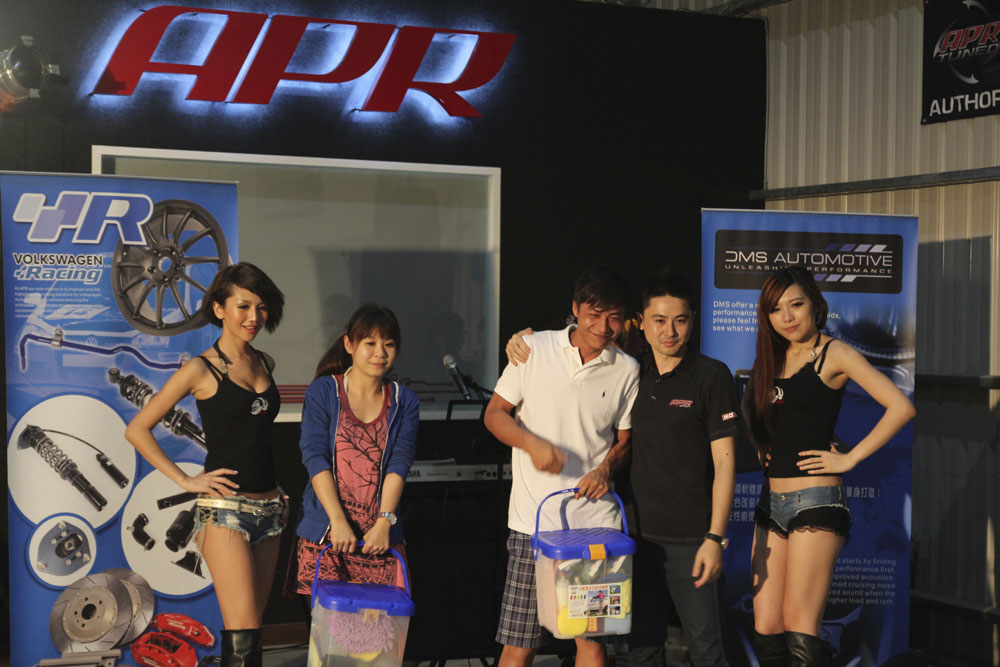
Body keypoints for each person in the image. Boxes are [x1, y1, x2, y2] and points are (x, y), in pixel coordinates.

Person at [506, 270, 739, 667]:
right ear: (642, 322)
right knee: (639, 651)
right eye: (659, 320)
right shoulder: (629, 369)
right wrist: (520, 340)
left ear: (692, 321)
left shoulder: (706, 376)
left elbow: (725, 462)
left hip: (686, 540)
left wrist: (715, 537)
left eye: (680, 320)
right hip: (629, 537)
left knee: (705, 650)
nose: (669, 331)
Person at [744, 266, 915, 666]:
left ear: (815, 306)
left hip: (816, 501)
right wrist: (761, 446)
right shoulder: (771, 357)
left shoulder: (834, 353)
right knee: (766, 624)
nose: (787, 317)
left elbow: (901, 407)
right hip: (771, 503)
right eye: (776, 309)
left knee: (799, 624)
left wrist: (850, 457)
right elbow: (764, 419)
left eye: (796, 305)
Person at [125, 262, 286, 667]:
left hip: (271, 512)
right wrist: (185, 480)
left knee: (253, 630)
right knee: (244, 633)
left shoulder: (264, 361)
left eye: (261, 308)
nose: (254, 317)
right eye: (243, 306)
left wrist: (279, 493)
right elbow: (138, 429)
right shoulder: (200, 368)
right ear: (219, 309)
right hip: (225, 511)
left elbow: (256, 438)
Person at [485, 266, 640, 667]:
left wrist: (605, 470)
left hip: (596, 526)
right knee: (519, 645)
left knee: (592, 643)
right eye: (594, 314)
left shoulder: (627, 369)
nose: (603, 327)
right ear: (575, 308)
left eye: (614, 317)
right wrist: (531, 443)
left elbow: (625, 440)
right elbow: (495, 414)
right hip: (533, 523)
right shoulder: (532, 348)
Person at [289, 304, 419, 599]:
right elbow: (315, 457)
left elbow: (399, 464)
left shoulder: (404, 401)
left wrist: (385, 522)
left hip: (379, 540)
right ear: (349, 344)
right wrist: (337, 520)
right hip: (327, 535)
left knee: (380, 627)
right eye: (370, 343)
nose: (380, 353)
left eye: (388, 344)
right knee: (328, 627)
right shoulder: (324, 391)